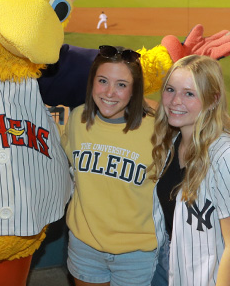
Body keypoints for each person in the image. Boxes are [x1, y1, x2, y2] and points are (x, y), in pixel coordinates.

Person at [149, 55, 230, 286]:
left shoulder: (229, 158)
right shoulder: (172, 142)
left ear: (213, 100)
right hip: (171, 265)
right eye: (170, 89)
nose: (175, 101)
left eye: (189, 93)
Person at [63, 45, 157, 286]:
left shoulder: (157, 130)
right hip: (85, 247)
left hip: (136, 254)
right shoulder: (78, 120)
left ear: (134, 91)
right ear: (92, 82)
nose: (110, 92)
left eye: (121, 85)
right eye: (103, 80)